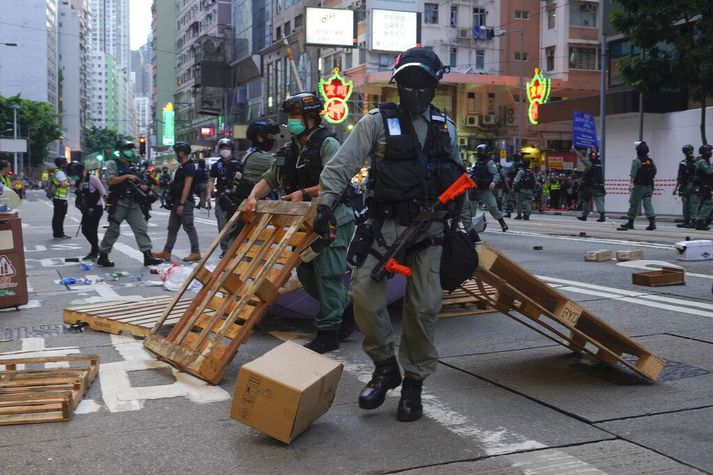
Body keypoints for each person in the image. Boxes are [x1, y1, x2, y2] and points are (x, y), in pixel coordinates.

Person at [315, 47, 473, 422]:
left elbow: (459, 179)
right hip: (385, 227)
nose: (415, 90)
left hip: (432, 230)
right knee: (363, 296)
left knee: (424, 309)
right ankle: (386, 366)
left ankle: (414, 383)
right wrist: (324, 204)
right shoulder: (376, 122)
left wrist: (465, 224)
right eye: (408, 82)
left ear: (434, 85)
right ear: (398, 84)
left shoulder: (444, 127)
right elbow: (342, 165)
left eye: (423, 83)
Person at [245, 92, 356, 354]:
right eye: (290, 116)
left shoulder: (327, 143)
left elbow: (338, 179)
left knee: (328, 274)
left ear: (310, 117)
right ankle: (343, 309)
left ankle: (328, 332)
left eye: (295, 116)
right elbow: (270, 178)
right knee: (307, 275)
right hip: (305, 223)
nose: (290, 121)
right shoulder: (289, 148)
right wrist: (252, 196)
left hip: (331, 219)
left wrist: (304, 193)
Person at [209, 124, 276, 257]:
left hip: (240, 205)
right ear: (260, 138)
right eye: (270, 136)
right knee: (251, 250)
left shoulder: (249, 153)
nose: (273, 139)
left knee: (241, 246)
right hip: (248, 208)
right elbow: (283, 172)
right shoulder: (262, 157)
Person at [97, 140, 164, 267]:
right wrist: (127, 176)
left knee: (141, 227)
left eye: (131, 149)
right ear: (120, 151)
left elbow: (139, 182)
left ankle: (147, 255)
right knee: (113, 230)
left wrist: (145, 187)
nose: (130, 151)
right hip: (119, 202)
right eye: (127, 148)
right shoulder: (113, 164)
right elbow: (111, 181)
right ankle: (103, 255)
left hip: (133, 202)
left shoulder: (133, 166)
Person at [154, 142, 201, 262]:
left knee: (189, 227)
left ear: (181, 152)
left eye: (176, 152)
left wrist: (181, 203)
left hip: (184, 202)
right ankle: (166, 252)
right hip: (177, 201)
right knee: (172, 228)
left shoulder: (189, 167)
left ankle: (195, 252)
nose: (175, 154)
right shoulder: (181, 167)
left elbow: (187, 186)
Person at [67, 162, 107, 260]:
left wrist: (109, 206)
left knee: (92, 230)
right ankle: (95, 249)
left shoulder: (92, 179)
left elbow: (103, 193)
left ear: (80, 172)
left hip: (96, 208)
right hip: (86, 210)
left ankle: (94, 251)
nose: (74, 177)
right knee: (85, 230)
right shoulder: (79, 182)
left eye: (74, 175)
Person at [469, 144, 507, 231]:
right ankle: (471, 226)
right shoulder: (477, 162)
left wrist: (494, 182)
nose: (479, 153)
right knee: (471, 207)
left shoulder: (489, 162)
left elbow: (496, 174)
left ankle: (502, 223)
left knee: (492, 206)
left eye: (481, 152)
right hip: (476, 187)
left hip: (485, 188)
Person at [622, 141, 656, 230]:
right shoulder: (650, 161)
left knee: (633, 203)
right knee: (648, 204)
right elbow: (655, 171)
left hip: (638, 186)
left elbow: (633, 174)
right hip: (649, 186)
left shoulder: (636, 161)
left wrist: (630, 184)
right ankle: (652, 223)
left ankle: (630, 223)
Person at [574, 147, 606, 222]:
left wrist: (575, 150)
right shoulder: (598, 163)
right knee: (599, 201)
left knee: (585, 200)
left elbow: (582, 158)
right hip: (599, 185)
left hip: (591, 186)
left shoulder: (590, 164)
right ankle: (602, 216)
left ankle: (584, 216)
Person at [674, 144, 697, 228]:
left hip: (694, 185)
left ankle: (693, 221)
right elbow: (679, 176)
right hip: (684, 186)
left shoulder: (697, 162)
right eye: (687, 151)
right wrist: (676, 188)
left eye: (690, 151)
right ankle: (686, 221)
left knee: (693, 204)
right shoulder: (682, 163)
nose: (689, 152)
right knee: (685, 204)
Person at [692, 144, 713, 231]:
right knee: (707, 203)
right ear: (703, 152)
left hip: (705, 185)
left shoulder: (705, 161)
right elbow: (709, 171)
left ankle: (700, 222)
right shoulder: (702, 162)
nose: (710, 153)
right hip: (703, 186)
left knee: (703, 203)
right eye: (708, 151)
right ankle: (700, 222)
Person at [50, 157, 71, 239]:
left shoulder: (57, 172)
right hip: (60, 198)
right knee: (59, 217)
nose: (66, 164)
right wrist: (70, 184)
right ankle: (59, 234)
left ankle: (57, 233)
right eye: (65, 163)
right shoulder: (60, 173)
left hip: (58, 198)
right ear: (62, 164)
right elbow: (63, 184)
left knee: (57, 216)